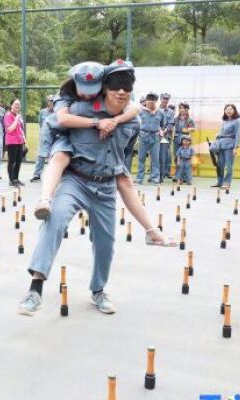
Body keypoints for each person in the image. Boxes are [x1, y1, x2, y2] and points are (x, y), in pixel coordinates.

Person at [18, 62, 173, 316]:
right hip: (75, 180)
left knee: (105, 243)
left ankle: (98, 290)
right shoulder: (79, 110)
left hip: (106, 186)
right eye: (114, 87)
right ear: (105, 89)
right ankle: (35, 289)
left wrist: (150, 228)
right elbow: (56, 125)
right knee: (54, 219)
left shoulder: (132, 122)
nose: (120, 92)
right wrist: (66, 143)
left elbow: (123, 168)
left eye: (126, 88)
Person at [33, 61, 141, 220]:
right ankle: (44, 199)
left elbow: (135, 108)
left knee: (124, 179)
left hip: (88, 136)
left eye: (93, 90)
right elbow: (62, 119)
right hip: (64, 132)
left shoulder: (110, 88)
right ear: (75, 83)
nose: (89, 95)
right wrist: (98, 123)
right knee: (60, 157)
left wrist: (115, 120)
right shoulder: (65, 95)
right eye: (84, 90)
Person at [134, 93, 166, 185]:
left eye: (154, 101)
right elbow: (136, 123)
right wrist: (139, 133)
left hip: (155, 137)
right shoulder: (140, 111)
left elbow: (163, 124)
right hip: (143, 137)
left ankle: (155, 179)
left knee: (155, 159)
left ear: (156, 101)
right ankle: (139, 179)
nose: (151, 102)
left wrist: (161, 131)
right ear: (146, 101)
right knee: (141, 159)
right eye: (150, 100)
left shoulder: (160, 112)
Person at [210, 104, 240, 189]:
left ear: (234, 110)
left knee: (229, 166)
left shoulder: (238, 121)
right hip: (221, 145)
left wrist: (235, 148)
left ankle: (227, 182)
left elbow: (238, 135)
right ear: (224, 111)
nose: (228, 111)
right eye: (227, 109)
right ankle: (220, 182)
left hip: (230, 145)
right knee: (220, 165)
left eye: (230, 109)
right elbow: (221, 132)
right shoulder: (225, 120)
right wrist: (217, 138)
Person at [30, 95, 55, 183]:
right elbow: (40, 124)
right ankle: (37, 175)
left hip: (54, 137)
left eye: (52, 101)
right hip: (44, 137)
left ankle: (52, 176)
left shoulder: (57, 112)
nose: (51, 103)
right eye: (49, 101)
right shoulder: (42, 112)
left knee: (53, 157)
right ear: (47, 102)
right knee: (40, 156)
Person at [4, 99, 26, 187]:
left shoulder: (18, 115)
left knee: (18, 161)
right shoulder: (8, 115)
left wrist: (24, 138)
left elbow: (20, 128)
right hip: (12, 141)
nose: (17, 106)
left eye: (19, 104)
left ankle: (16, 178)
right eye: (15, 104)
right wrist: (16, 119)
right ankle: (11, 180)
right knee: (12, 161)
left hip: (19, 141)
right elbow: (9, 129)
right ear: (11, 105)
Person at [172, 102, 195, 181]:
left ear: (187, 109)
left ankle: (185, 176)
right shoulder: (175, 119)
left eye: (184, 108)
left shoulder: (190, 119)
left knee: (186, 158)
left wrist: (187, 129)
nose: (182, 110)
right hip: (177, 139)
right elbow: (170, 126)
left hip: (185, 140)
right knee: (177, 157)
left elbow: (193, 129)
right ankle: (177, 175)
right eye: (181, 108)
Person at [158, 93, 175, 179]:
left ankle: (164, 174)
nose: (165, 100)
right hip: (156, 135)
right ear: (160, 99)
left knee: (166, 156)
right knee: (155, 155)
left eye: (167, 99)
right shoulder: (156, 110)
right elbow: (154, 122)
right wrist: (160, 130)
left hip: (166, 136)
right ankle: (155, 174)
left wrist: (165, 130)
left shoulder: (171, 112)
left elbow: (171, 123)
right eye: (164, 98)